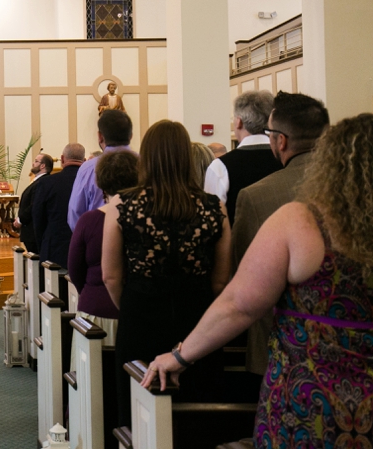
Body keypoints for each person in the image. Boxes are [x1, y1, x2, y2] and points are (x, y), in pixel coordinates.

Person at [143, 114, 373, 448]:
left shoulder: (300, 220)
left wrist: (179, 357)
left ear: (330, 164)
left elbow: (239, 304)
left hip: (311, 400)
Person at [102, 120, 231, 425]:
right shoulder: (215, 208)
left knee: (139, 418)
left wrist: (135, 307)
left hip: (140, 319)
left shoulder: (122, 205)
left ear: (145, 158)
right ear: (186, 158)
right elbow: (221, 280)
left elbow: (111, 276)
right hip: (199, 325)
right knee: (198, 417)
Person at [230, 91, 329, 375]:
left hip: (280, 348)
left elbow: (242, 275)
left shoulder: (256, 196)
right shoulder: (353, 189)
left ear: (280, 140)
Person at [68, 150, 138, 346]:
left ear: (102, 183)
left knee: (90, 375)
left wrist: (93, 291)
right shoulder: (146, 219)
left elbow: (75, 269)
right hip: (137, 311)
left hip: (95, 312)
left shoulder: (89, 220)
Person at [204, 90, 282, 224]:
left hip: (239, 243)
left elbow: (213, 221)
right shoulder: (285, 159)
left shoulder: (221, 167)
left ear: (239, 122)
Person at [67, 110, 134, 231]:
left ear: (100, 136)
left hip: (98, 239)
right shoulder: (146, 165)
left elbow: (75, 214)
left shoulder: (88, 169)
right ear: (131, 136)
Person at [33, 143, 85, 266]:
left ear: (62, 159)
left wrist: (43, 244)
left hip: (53, 249)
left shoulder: (47, 183)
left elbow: (37, 218)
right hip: (83, 249)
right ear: (85, 160)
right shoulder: (91, 183)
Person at [14, 153, 53, 250]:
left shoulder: (42, 182)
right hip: (30, 231)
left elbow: (34, 205)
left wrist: (20, 220)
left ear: (43, 165)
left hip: (33, 231)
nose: (33, 163)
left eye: (36, 161)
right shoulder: (39, 181)